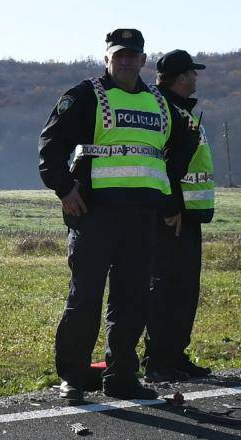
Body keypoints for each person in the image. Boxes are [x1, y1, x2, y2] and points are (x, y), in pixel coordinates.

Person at [39, 29, 197, 403]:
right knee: (86, 298)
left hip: (142, 217)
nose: (125, 62)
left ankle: (122, 375)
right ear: (107, 59)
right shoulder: (85, 96)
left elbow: (185, 143)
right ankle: (73, 378)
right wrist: (64, 188)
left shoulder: (162, 104)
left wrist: (168, 195)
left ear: (144, 61)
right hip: (94, 214)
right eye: (118, 56)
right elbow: (51, 143)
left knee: (132, 300)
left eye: (132, 56)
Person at [143, 49, 215, 382]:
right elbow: (163, 163)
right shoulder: (165, 110)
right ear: (184, 77)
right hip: (173, 216)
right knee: (168, 288)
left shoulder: (176, 109)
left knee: (183, 289)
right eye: (193, 74)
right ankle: (159, 359)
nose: (197, 79)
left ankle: (174, 355)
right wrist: (170, 207)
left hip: (187, 214)